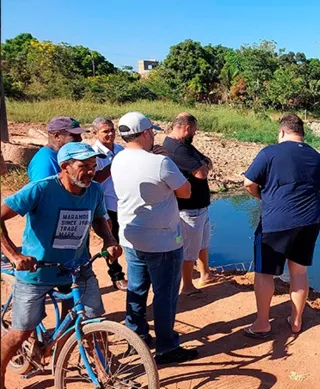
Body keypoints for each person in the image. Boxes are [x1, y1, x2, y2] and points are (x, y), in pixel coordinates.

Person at [0, 142, 122, 389]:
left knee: (94, 323)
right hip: (38, 273)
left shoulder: (95, 191)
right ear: (65, 167)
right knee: (20, 333)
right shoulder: (41, 189)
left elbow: (100, 219)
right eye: (83, 167)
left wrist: (109, 240)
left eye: (93, 166)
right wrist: (14, 256)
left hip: (77, 268)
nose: (91, 172)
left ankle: (103, 370)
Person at [111, 111, 198, 364]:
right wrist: (164, 160)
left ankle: (136, 336)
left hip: (130, 236)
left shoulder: (117, 159)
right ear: (147, 133)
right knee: (166, 293)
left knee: (137, 289)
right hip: (163, 241)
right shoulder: (160, 163)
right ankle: (167, 347)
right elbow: (186, 192)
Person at [242, 113, 320, 337]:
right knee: (299, 271)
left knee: (264, 272)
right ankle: (296, 321)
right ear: (301, 133)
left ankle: (262, 323)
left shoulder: (269, 152)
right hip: (310, 220)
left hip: (276, 221)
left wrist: (264, 197)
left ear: (281, 131)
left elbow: (249, 183)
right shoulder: (318, 158)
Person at [162, 113, 217, 298]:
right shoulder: (177, 149)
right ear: (186, 128)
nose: (195, 132)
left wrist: (205, 164)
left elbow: (207, 161)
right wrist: (204, 165)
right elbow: (202, 172)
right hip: (189, 208)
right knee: (190, 248)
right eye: (194, 129)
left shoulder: (184, 145)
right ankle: (187, 284)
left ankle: (205, 273)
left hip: (199, 206)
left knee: (202, 242)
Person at [91, 117, 128, 291]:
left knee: (130, 238)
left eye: (112, 130)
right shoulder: (93, 153)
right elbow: (95, 179)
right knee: (111, 241)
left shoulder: (121, 149)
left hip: (125, 202)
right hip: (107, 205)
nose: (111, 134)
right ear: (95, 133)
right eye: (106, 131)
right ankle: (116, 276)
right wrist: (115, 165)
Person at [27, 117, 86, 182]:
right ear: (57, 136)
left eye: (79, 135)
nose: (80, 139)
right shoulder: (45, 161)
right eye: (74, 135)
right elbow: (44, 190)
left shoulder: (63, 155)